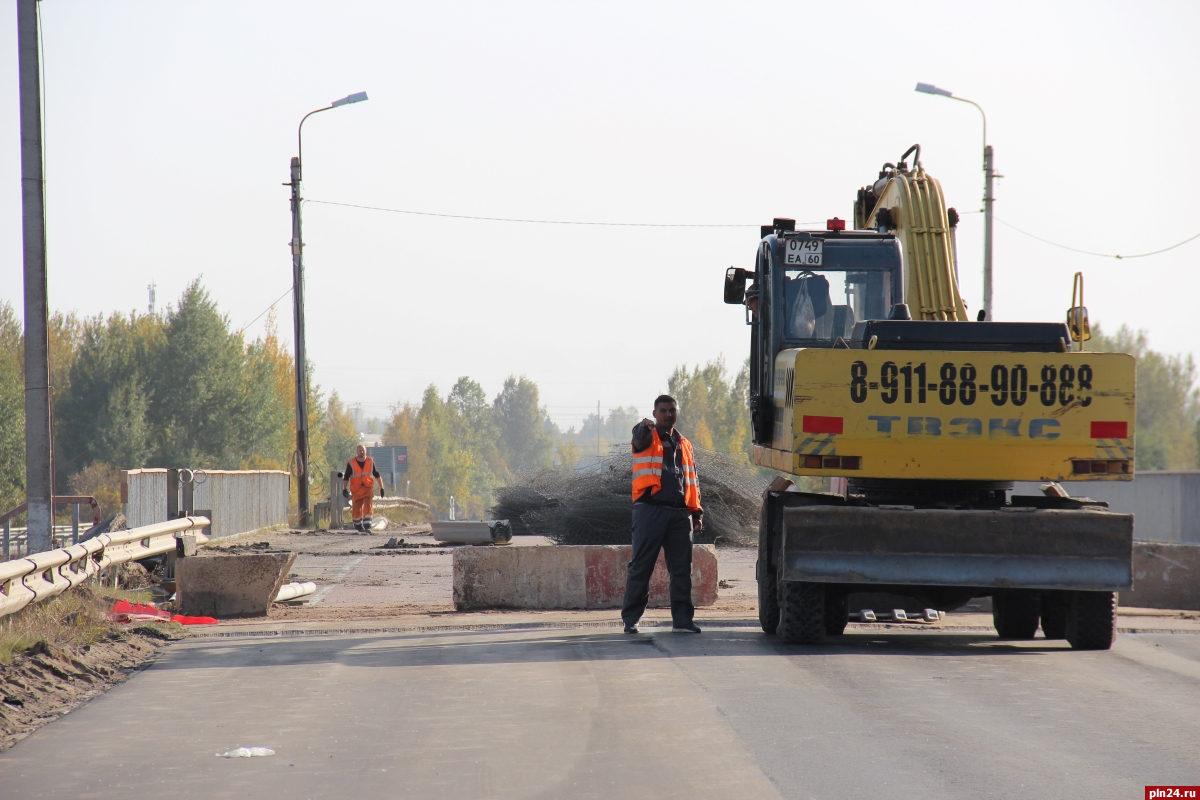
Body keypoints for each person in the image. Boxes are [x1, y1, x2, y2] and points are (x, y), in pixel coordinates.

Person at [621, 395, 703, 634]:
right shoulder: (647, 436)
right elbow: (638, 437)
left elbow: (692, 480)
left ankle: (682, 621)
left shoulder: (684, 443)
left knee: (681, 571)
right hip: (650, 511)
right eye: (663, 410)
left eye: (672, 410)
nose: (668, 414)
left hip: (680, 514)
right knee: (641, 567)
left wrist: (696, 513)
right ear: (655, 414)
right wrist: (641, 426)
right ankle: (631, 620)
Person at [342, 444, 385, 532]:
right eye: (360, 450)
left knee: (368, 506)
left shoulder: (370, 461)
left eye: (363, 450)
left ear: (366, 451)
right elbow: (346, 476)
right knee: (356, 509)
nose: (361, 452)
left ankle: (367, 525)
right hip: (356, 490)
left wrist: (382, 488)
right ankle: (358, 525)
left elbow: (376, 474)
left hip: (367, 488)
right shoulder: (351, 462)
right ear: (357, 451)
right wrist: (344, 488)